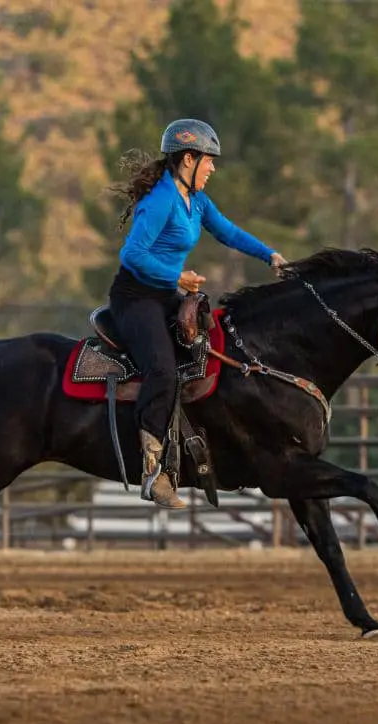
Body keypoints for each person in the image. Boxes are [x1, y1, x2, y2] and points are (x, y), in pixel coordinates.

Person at [106, 117, 287, 510]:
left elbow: (229, 232)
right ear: (189, 159)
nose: (213, 168)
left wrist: (269, 254)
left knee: (206, 356)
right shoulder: (161, 201)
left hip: (166, 296)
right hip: (136, 299)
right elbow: (132, 254)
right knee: (163, 370)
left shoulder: (197, 201)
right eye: (209, 160)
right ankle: (153, 469)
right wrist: (178, 275)